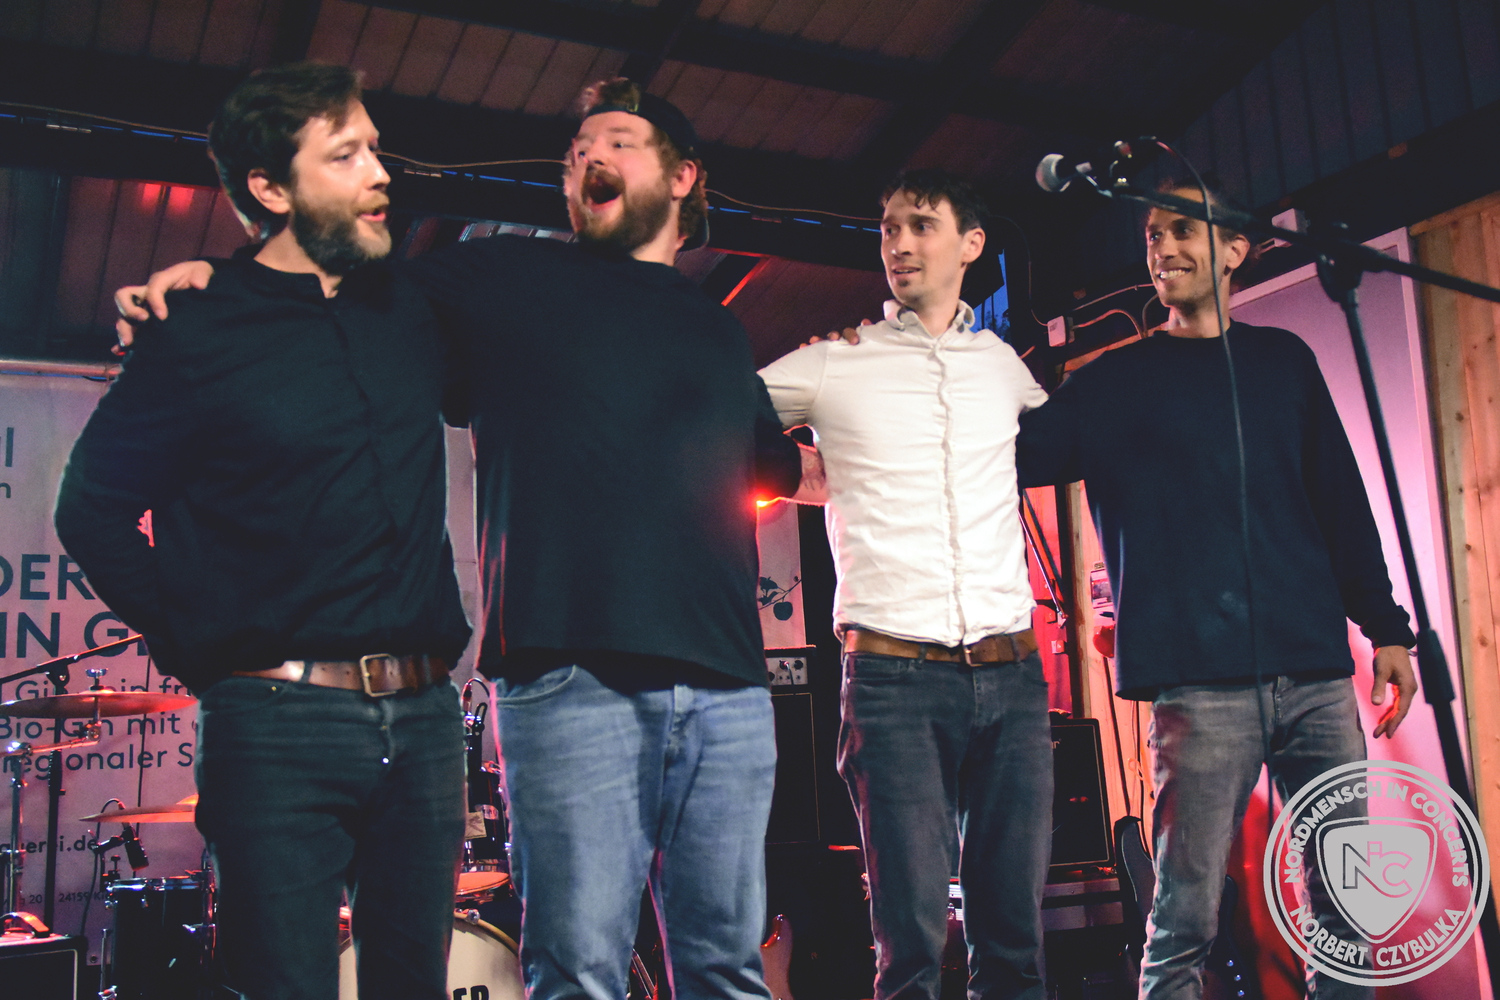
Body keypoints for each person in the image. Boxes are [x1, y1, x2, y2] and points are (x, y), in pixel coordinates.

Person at [115, 75, 809, 1000]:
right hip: (574, 679)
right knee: (580, 970)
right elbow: (346, 291)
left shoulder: (721, 332)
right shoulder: (508, 277)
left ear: (683, 177)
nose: (588, 158)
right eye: (577, 152)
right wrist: (220, 287)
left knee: (727, 968)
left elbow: (779, 467)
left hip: (728, 690)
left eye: (616, 142)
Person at [56, 64, 471, 1000]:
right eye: (346, 155)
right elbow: (91, 507)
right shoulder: (199, 326)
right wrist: (203, 642)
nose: (380, 173)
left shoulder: (412, 307)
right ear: (270, 189)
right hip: (277, 725)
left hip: (425, 720)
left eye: (375, 149)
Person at [1015, 180, 1418, 1000]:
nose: (1161, 247)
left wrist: (1387, 629)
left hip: (1314, 677)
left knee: (1344, 912)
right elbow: (1016, 456)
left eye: (1181, 230)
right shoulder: (1113, 381)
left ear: (1235, 249)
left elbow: (1339, 500)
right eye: (1152, 235)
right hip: (1198, 689)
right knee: (1183, 922)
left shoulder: (1284, 362)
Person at [759, 168, 1053, 1000]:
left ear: (971, 244)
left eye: (921, 225)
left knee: (1015, 945)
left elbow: (1055, 443)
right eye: (888, 228)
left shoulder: (1003, 368)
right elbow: (719, 416)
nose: (899, 243)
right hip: (893, 679)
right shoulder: (836, 361)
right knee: (912, 947)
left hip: (1011, 673)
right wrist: (812, 475)